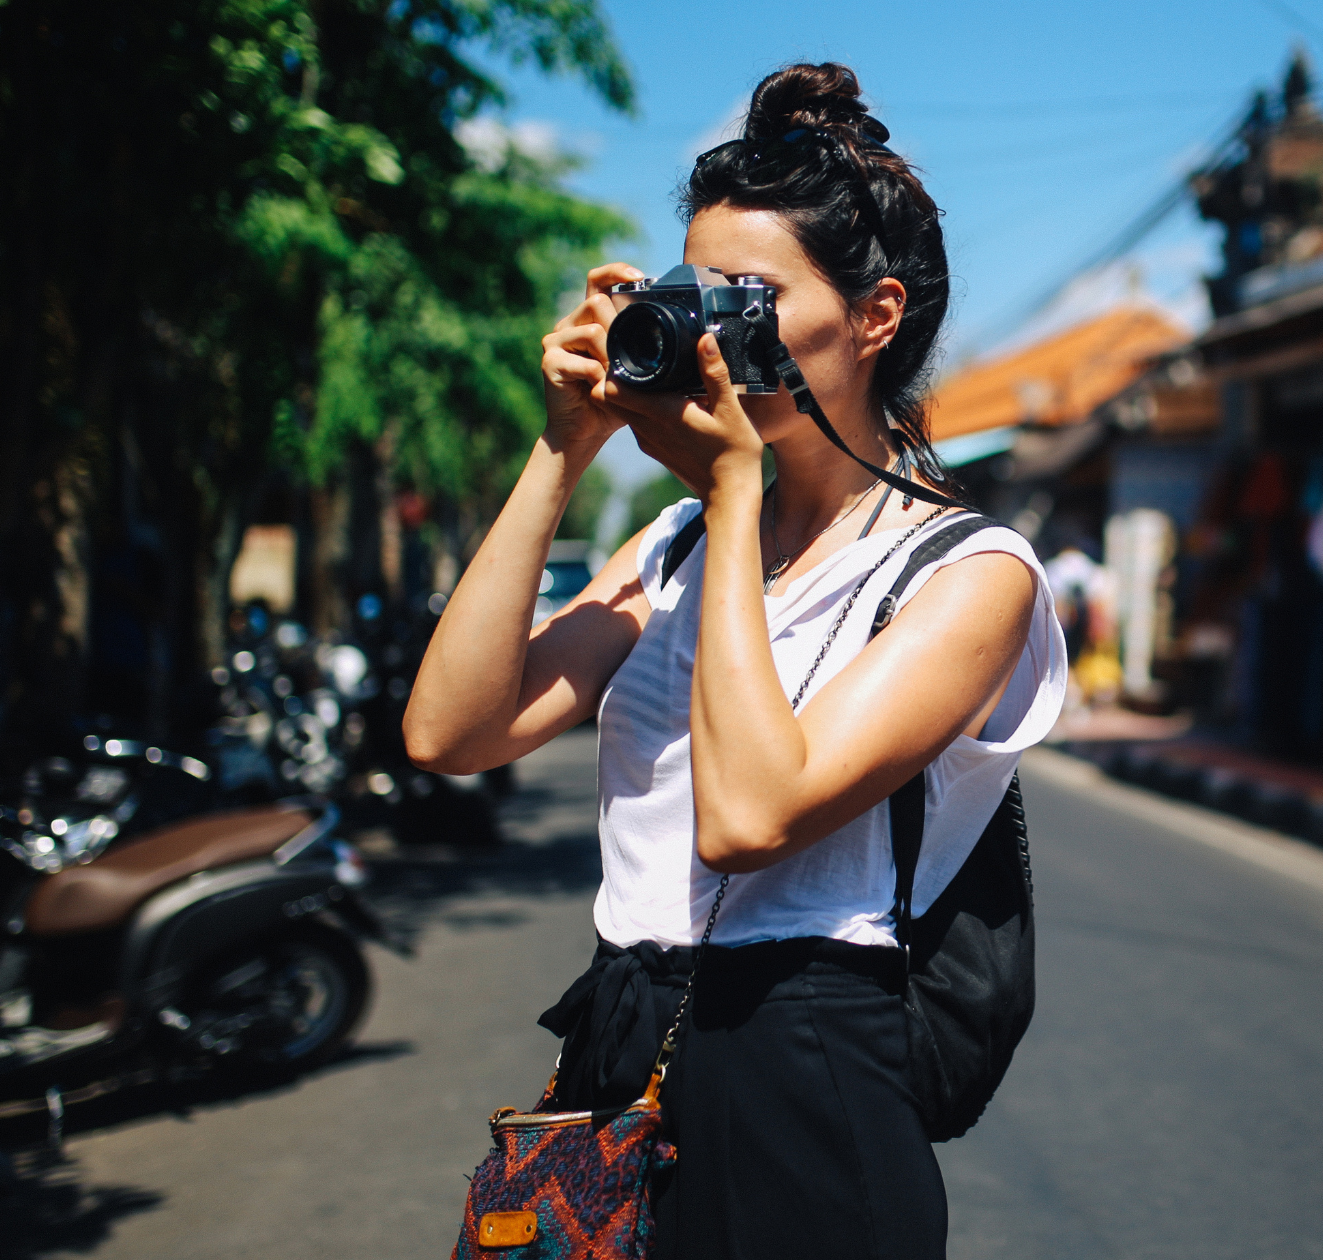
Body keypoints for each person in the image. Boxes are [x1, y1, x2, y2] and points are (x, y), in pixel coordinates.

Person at [404, 62, 1066, 1259]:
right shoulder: (674, 544)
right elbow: (451, 736)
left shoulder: (969, 576)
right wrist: (562, 448)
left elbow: (751, 815)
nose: (713, 330)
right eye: (695, 292)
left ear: (873, 317)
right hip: (618, 1036)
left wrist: (728, 484)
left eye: (750, 298)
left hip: (801, 1069)